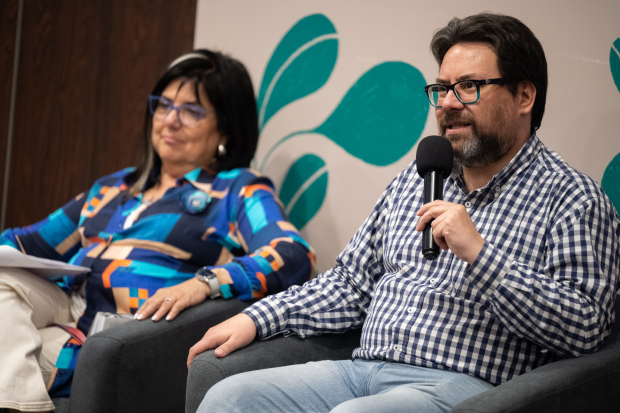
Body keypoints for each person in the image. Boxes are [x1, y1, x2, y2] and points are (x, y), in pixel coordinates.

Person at [188, 13, 620, 413]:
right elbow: (350, 285)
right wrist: (257, 318)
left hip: (463, 385)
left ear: (524, 95)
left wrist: (481, 256)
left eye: (468, 87)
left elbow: (584, 327)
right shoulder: (416, 178)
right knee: (231, 398)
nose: (447, 104)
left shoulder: (573, 199)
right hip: (361, 372)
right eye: (441, 89)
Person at [0, 49, 314, 412]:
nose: (169, 121)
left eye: (191, 111)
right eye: (163, 105)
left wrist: (205, 282)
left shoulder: (235, 190)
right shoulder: (114, 187)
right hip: (70, 303)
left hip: (122, 336)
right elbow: (26, 243)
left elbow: (293, 253)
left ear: (225, 129)